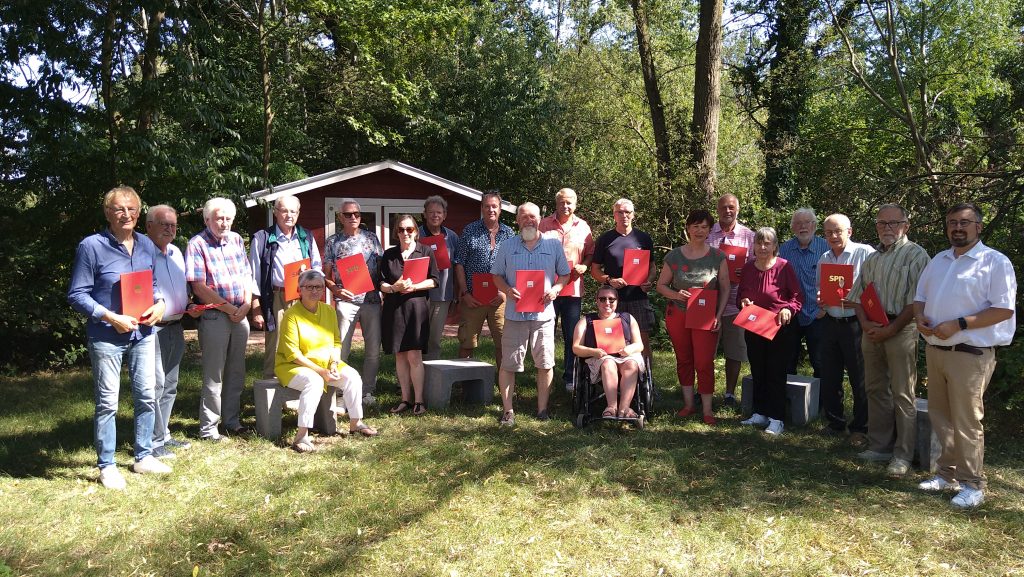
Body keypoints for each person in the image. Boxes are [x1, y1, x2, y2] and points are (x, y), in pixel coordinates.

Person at [914, 202, 1016, 509]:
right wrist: (920, 319)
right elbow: (920, 298)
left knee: (967, 421)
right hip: (936, 350)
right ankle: (947, 475)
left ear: (978, 226)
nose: (957, 227)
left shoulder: (994, 262)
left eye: (964, 222)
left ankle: (974, 485)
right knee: (941, 418)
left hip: (970, 354)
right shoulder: (939, 260)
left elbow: (1003, 309)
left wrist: (959, 324)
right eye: (952, 222)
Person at [68, 186, 171, 489]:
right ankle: (107, 465)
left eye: (132, 209)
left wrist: (161, 303)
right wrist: (110, 316)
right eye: (119, 209)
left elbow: (153, 286)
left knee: (147, 395)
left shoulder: (147, 245)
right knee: (107, 403)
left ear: (139, 213)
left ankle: (144, 456)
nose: (126, 214)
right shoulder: (91, 246)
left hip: (143, 332)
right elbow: (76, 294)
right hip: (106, 335)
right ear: (107, 213)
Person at [847, 204, 930, 476]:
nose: (887, 228)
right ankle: (880, 446)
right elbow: (857, 296)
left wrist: (891, 329)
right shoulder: (873, 258)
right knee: (874, 388)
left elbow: (917, 302)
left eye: (893, 223)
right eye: (882, 223)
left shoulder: (916, 255)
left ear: (906, 225)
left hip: (901, 330)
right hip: (872, 330)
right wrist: (865, 324)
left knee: (903, 393)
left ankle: (902, 455)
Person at [276, 269, 378, 453]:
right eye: (310, 287)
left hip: (325, 364)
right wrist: (321, 372)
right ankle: (302, 435)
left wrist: (333, 363)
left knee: (353, 376)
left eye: (319, 287)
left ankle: (356, 423)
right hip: (293, 366)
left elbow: (336, 342)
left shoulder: (329, 311)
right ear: (300, 289)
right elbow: (293, 354)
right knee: (313, 381)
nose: (315, 291)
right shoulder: (291, 315)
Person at [492, 202, 571, 426]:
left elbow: (564, 275)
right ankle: (508, 411)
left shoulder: (553, 245)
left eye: (533, 217)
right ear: (517, 221)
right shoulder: (506, 246)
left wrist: (556, 289)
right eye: (524, 217)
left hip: (543, 316)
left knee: (545, 364)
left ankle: (542, 409)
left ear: (540, 219)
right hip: (515, 315)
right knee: (508, 364)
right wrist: (507, 289)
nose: (529, 220)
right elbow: (496, 275)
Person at [186, 197, 253, 441]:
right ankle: (208, 429)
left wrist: (246, 304)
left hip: (239, 313)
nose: (224, 223)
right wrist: (228, 308)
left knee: (236, 371)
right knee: (214, 374)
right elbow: (198, 286)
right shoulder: (197, 244)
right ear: (207, 220)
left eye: (228, 218)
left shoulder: (236, 239)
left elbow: (246, 274)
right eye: (218, 218)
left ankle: (232, 421)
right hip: (215, 315)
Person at [656, 209, 730, 424]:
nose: (699, 230)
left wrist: (719, 314)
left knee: (704, 362)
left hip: (706, 317)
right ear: (688, 228)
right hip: (678, 314)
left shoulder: (718, 257)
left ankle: (707, 410)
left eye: (704, 226)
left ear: (709, 230)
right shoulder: (674, 256)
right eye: (695, 226)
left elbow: (725, 288)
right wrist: (676, 294)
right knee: (684, 359)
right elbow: (660, 285)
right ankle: (688, 405)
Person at [145, 205, 200, 460]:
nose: (170, 229)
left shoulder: (177, 252)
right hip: (152, 330)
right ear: (149, 226)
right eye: (164, 224)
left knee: (170, 384)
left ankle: (164, 434)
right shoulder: (141, 253)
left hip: (176, 325)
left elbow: (179, 288)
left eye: (173, 225)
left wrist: (190, 305)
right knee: (154, 385)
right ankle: (153, 442)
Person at [736, 227, 802, 436]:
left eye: (767, 243)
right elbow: (740, 297)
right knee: (758, 369)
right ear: (753, 246)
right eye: (759, 243)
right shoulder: (747, 268)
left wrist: (787, 309)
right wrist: (743, 302)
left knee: (776, 371)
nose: (762, 247)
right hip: (754, 325)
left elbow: (797, 297)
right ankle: (760, 412)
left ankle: (777, 418)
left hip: (778, 328)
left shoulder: (784, 267)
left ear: (775, 246)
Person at [817, 213, 875, 444]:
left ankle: (861, 427)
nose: (833, 236)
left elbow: (875, 287)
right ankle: (835, 422)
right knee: (830, 375)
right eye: (829, 232)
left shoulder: (865, 253)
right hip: (830, 322)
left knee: (859, 377)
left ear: (849, 232)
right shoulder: (824, 258)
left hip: (855, 324)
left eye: (837, 231)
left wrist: (859, 299)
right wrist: (821, 299)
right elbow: (820, 289)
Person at [249, 195, 322, 379]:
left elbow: (318, 267)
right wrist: (256, 307)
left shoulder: (306, 236)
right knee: (277, 342)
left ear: (298, 213)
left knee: (304, 341)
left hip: (303, 297)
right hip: (276, 296)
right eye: (284, 210)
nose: (289, 215)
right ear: (275, 212)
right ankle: (271, 388)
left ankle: (301, 385)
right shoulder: (262, 238)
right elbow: (253, 275)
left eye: (293, 211)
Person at [323, 198, 383, 407]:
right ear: (340, 217)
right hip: (346, 302)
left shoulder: (372, 238)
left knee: (373, 350)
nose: (353, 217)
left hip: (372, 300)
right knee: (342, 349)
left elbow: (383, 268)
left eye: (356, 214)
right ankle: (340, 393)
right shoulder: (333, 242)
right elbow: (326, 276)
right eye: (348, 214)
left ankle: (367, 392)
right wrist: (335, 289)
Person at [380, 215, 440, 415]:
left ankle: (419, 401)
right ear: (396, 232)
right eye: (401, 230)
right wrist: (393, 287)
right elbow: (380, 283)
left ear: (416, 231)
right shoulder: (389, 255)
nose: (405, 233)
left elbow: (434, 280)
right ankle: (405, 399)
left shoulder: (426, 252)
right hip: (394, 308)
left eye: (409, 229)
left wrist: (414, 286)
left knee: (414, 354)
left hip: (416, 308)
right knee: (400, 354)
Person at [539, 187, 594, 392]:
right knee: (546, 334)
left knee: (572, 335)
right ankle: (546, 376)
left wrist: (585, 265)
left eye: (569, 202)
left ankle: (570, 376)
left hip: (572, 290)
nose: (566, 205)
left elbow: (590, 253)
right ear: (556, 203)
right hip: (547, 289)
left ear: (575, 204)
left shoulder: (584, 227)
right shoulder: (543, 224)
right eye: (562, 202)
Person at [705, 193, 756, 407]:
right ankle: (704, 390)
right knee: (706, 351)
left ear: (738, 209)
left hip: (737, 302)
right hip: (708, 303)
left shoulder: (749, 236)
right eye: (724, 207)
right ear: (718, 209)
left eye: (732, 207)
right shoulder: (707, 233)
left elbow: (755, 268)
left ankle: (729, 393)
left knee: (734, 351)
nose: (728, 211)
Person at [590, 198, 656, 359]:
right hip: (612, 300)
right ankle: (615, 378)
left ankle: (646, 380)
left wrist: (650, 280)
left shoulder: (643, 238)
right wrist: (609, 280)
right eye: (620, 212)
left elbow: (652, 267)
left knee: (642, 341)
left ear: (633, 215)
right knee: (613, 341)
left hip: (638, 298)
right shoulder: (605, 239)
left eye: (627, 212)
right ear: (614, 215)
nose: (624, 215)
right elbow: (594, 270)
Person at [454, 191, 515, 366]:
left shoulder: (509, 233)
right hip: (473, 298)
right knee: (467, 342)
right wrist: (465, 293)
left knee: (503, 343)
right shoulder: (470, 230)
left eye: (494, 206)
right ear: (481, 208)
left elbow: (513, 266)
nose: (491, 210)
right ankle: (464, 384)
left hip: (500, 298)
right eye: (487, 206)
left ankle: (503, 386)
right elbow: (459, 263)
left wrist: (505, 293)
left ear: (500, 209)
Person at [571, 285, 645, 419]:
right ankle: (611, 406)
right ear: (596, 300)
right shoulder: (586, 321)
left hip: (626, 356)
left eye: (611, 299)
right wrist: (593, 351)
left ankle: (625, 407)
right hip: (600, 358)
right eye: (603, 299)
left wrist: (630, 349)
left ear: (617, 301)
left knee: (631, 365)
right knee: (608, 363)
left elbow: (639, 344)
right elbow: (576, 347)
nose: (607, 303)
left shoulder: (627, 318)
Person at [778, 208, 829, 378]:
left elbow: (835, 279)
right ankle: (788, 400)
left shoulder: (826, 247)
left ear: (814, 225)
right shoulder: (784, 249)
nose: (803, 227)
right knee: (786, 360)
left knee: (821, 361)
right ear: (793, 227)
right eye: (798, 223)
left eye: (807, 222)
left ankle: (821, 403)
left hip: (818, 313)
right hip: (791, 314)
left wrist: (824, 309)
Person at [419, 195, 460, 360]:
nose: (435, 215)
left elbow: (458, 266)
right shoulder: (416, 234)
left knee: (434, 339)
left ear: (444, 215)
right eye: (431, 212)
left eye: (439, 212)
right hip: (419, 294)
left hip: (442, 295)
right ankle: (412, 378)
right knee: (416, 338)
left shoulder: (452, 237)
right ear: (424, 214)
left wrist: (456, 295)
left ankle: (432, 379)